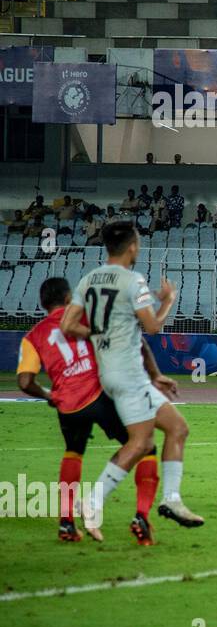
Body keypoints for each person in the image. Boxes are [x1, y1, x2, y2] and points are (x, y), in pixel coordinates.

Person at [59, 220, 203, 536]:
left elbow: (68, 325)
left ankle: (171, 499)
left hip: (114, 371)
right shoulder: (133, 280)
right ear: (133, 246)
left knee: (177, 428)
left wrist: (98, 333)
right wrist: (167, 301)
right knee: (141, 443)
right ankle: (92, 500)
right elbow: (152, 327)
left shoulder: (88, 279)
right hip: (126, 372)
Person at [17, 276, 173, 544]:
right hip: (98, 394)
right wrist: (153, 374)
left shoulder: (32, 338)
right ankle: (141, 517)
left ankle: (66, 524)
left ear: (43, 305)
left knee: (73, 452)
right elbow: (134, 339)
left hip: (67, 404)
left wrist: (48, 395)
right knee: (145, 445)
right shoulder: (88, 316)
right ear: (68, 299)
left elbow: (25, 382)